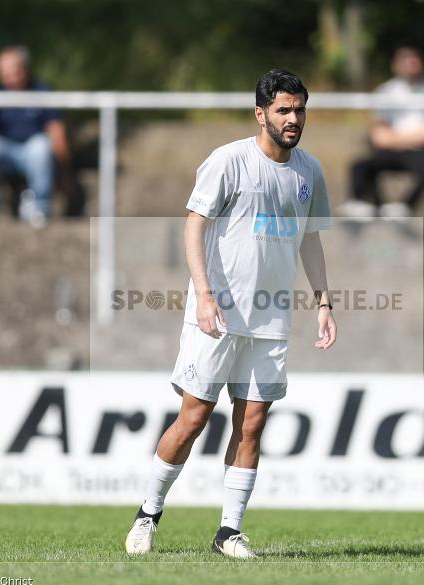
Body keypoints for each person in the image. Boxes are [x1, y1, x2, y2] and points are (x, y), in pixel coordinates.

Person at [124, 69, 336, 559]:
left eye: (300, 109)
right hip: (219, 312)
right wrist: (203, 293)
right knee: (194, 417)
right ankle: (148, 514)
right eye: (284, 109)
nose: (294, 118)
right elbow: (194, 226)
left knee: (252, 424)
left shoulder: (309, 172)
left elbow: (311, 240)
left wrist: (324, 301)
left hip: (272, 319)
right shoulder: (229, 161)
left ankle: (228, 532)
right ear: (260, 113)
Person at [0, 46, 70, 223]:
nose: (9, 79)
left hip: (35, 153)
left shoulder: (42, 91)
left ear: (25, 69)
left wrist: (65, 172)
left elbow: (56, 133)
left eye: (12, 72)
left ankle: (39, 207)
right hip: (5, 152)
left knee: (41, 146)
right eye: (3, 74)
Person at [343, 47, 424, 221]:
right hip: (395, 150)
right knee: (359, 166)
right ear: (395, 65)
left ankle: (405, 206)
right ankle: (369, 206)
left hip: (421, 152)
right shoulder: (385, 91)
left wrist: (396, 138)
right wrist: (411, 139)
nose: (411, 65)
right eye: (405, 60)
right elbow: (378, 135)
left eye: (414, 60)